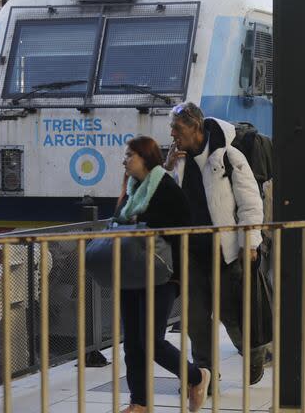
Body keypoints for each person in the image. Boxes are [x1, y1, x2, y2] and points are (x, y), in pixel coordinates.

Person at [164, 102, 267, 386]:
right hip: (191, 253)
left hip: (226, 252)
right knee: (195, 318)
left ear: (195, 127)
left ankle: (253, 350)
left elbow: (250, 204)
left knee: (230, 313)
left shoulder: (230, 156)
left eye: (177, 127)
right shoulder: (178, 158)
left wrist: (251, 243)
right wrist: (167, 167)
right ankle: (204, 375)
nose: (172, 134)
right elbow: (165, 200)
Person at [116, 136, 210, 413]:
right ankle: (140, 402)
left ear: (145, 158)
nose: (125, 160)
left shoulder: (166, 188)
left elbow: (182, 225)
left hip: (163, 274)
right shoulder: (133, 189)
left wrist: (142, 223)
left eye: (129, 155)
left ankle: (196, 376)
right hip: (132, 273)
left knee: (151, 341)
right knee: (132, 343)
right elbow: (118, 220)